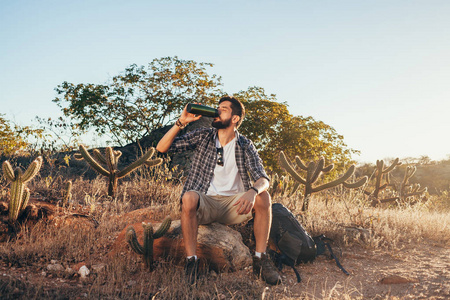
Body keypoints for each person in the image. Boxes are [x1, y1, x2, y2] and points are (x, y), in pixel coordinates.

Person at [156, 96, 281, 285]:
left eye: (223, 109)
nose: (216, 111)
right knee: (189, 197)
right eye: (217, 108)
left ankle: (260, 259)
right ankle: (191, 262)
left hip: (235, 206)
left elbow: (263, 178)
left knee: (264, 197)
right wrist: (181, 122)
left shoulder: (245, 145)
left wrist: (252, 191)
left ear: (235, 118)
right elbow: (162, 148)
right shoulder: (203, 135)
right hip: (206, 202)